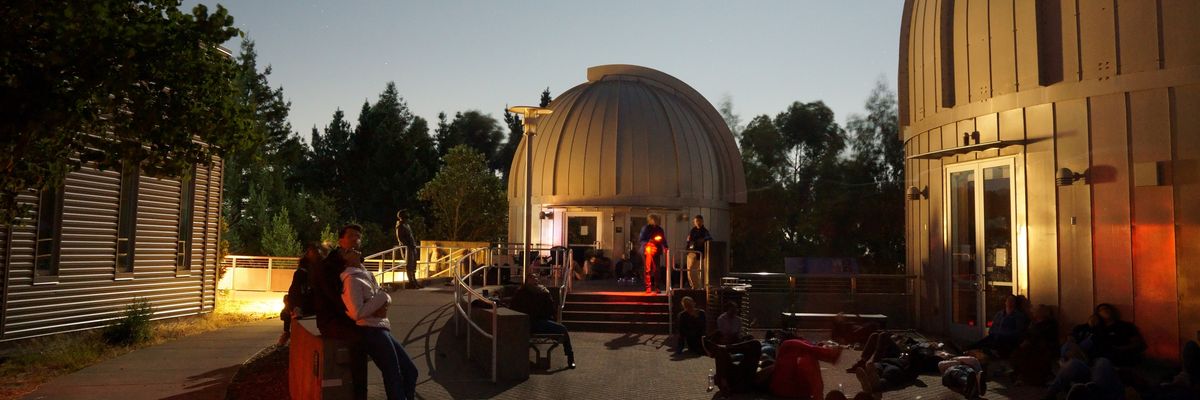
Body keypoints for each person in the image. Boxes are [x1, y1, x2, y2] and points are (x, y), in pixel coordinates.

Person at [340, 247, 418, 400]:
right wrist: (381, 299)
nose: (355, 250)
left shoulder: (365, 274)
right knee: (394, 374)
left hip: (381, 328)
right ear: (344, 261)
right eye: (349, 251)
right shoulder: (351, 279)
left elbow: (381, 299)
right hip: (370, 331)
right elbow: (356, 312)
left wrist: (382, 301)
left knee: (410, 371)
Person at [312, 224, 370, 398]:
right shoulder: (329, 266)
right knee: (360, 340)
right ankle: (359, 393)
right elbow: (335, 298)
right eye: (351, 235)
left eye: (358, 236)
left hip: (353, 316)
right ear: (340, 241)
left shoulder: (356, 262)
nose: (355, 239)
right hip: (333, 320)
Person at [509, 275, 575, 368]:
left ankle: (570, 357)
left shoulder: (543, 292)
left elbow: (550, 309)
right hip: (526, 322)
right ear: (527, 281)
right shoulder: (521, 293)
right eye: (532, 277)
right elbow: (514, 307)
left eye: (536, 278)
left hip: (540, 321)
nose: (535, 279)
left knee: (563, 329)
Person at [766, 338, 843, 399]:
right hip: (792, 392)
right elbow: (816, 384)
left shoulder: (792, 348)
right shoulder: (806, 354)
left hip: (779, 389)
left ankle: (828, 352)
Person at [278, 242, 321, 345]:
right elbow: (295, 289)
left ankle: (287, 332)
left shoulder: (320, 269)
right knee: (289, 302)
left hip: (315, 300)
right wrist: (296, 305)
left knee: (290, 304)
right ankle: (287, 331)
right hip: (306, 300)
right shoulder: (302, 271)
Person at [1011, 304, 1059, 385]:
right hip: (1031, 343)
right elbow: (1027, 333)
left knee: (1026, 352)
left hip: (1043, 346)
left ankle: (1028, 377)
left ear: (1041, 312)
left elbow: (1044, 336)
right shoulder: (1033, 322)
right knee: (1018, 351)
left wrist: (1029, 341)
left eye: (1035, 311)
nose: (1033, 312)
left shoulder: (1050, 323)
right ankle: (1021, 375)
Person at [1090, 303, 1146, 367]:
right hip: (1099, 357)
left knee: (1102, 361)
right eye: (1101, 310)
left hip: (1119, 356)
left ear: (1112, 311)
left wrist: (1120, 349)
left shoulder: (1125, 326)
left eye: (1107, 308)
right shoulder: (1097, 329)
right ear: (1098, 314)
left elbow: (1138, 343)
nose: (1105, 310)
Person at [637, 214, 668, 294]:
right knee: (647, 269)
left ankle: (657, 287)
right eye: (654, 219)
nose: (656, 221)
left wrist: (665, 247)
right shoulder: (645, 228)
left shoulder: (660, 229)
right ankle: (648, 287)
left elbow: (663, 239)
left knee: (657, 269)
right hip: (647, 250)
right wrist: (648, 242)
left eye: (657, 219)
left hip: (656, 251)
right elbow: (641, 239)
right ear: (650, 220)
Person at [394, 210, 422, 289]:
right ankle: (411, 282)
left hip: (412, 247)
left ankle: (414, 281)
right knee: (409, 266)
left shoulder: (407, 225)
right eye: (406, 216)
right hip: (408, 248)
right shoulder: (400, 226)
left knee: (413, 265)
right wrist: (408, 245)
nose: (407, 218)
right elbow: (400, 238)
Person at [684, 215, 712, 290]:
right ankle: (693, 286)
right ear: (694, 222)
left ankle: (697, 287)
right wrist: (688, 242)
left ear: (702, 222)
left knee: (697, 271)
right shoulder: (693, 230)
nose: (698, 223)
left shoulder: (704, 231)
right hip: (691, 252)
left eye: (699, 221)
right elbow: (689, 240)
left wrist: (702, 240)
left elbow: (709, 238)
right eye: (696, 221)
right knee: (689, 271)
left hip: (699, 254)